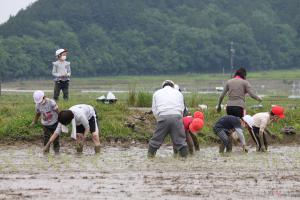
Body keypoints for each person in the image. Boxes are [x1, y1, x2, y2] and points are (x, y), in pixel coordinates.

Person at [148, 80, 188, 158]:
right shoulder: (179, 93)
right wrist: (179, 120)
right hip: (177, 117)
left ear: (163, 86)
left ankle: (150, 158)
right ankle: (185, 160)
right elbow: (182, 109)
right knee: (181, 142)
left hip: (163, 116)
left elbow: (154, 110)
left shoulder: (156, 93)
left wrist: (159, 120)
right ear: (172, 86)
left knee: (155, 141)